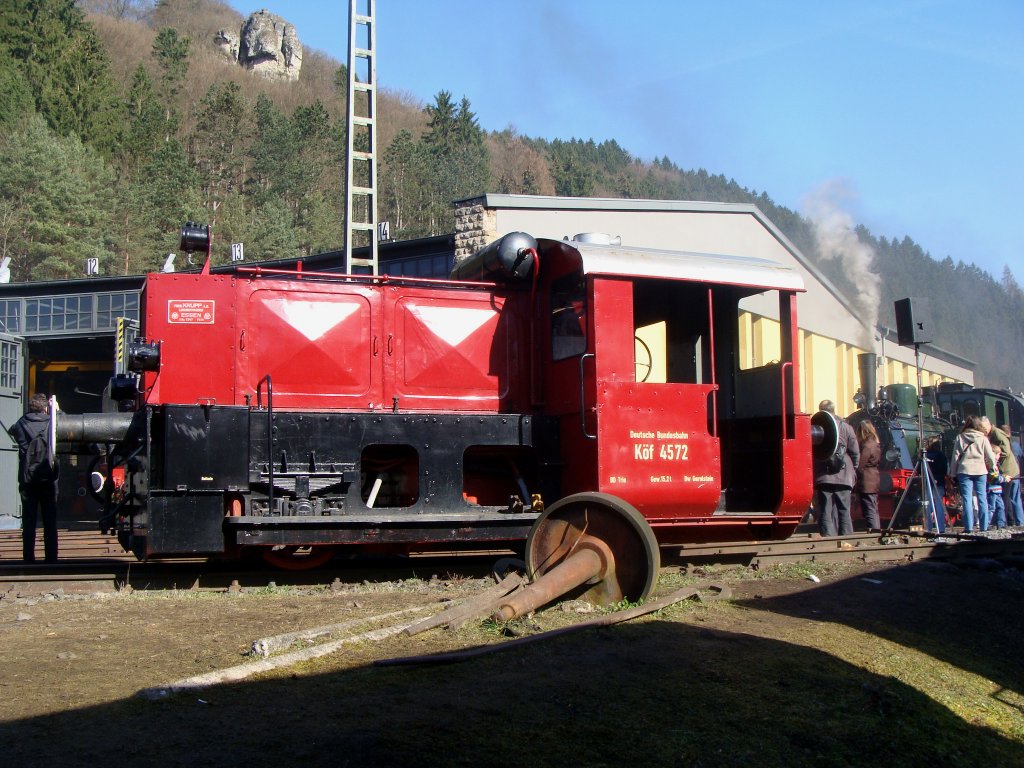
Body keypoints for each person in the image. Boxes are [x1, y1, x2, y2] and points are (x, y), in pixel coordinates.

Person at [7, 393, 59, 563]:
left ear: (30, 407)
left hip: (27, 480)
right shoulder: (53, 423)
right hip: (49, 479)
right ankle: (51, 558)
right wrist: (56, 410)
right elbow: (67, 425)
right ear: (45, 408)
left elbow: (12, 430)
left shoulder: (21, 424)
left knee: (29, 521)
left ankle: (28, 558)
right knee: (50, 521)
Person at [813, 400, 859, 536]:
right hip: (843, 472)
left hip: (823, 474)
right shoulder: (846, 427)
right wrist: (853, 468)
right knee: (844, 509)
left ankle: (828, 538)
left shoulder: (815, 426)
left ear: (821, 410)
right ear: (834, 409)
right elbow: (855, 451)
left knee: (825, 510)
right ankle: (846, 538)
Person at [949, 414, 996, 533]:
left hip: (964, 471)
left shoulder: (960, 437)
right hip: (980, 471)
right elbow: (990, 457)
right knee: (982, 498)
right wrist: (993, 469)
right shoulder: (983, 438)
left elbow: (955, 456)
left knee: (967, 499)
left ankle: (969, 527)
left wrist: (953, 473)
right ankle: (984, 526)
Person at [854, 419, 881, 530]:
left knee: (869, 508)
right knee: (873, 507)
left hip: (866, 481)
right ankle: (876, 529)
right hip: (874, 477)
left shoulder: (867, 445)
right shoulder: (876, 444)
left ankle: (874, 532)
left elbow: (861, 465)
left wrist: (855, 475)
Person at [995, 422, 1023, 527]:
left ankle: (1008, 521)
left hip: (1006, 473)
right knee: (1016, 497)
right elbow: (1021, 456)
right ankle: (1020, 521)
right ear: (1009, 433)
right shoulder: (1015, 444)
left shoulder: (999, 445)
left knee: (1006, 497)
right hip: (1015, 472)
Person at [923, 435, 948, 533]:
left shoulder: (925, 455)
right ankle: (941, 527)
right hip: (939, 481)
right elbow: (944, 470)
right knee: (939, 504)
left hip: (928, 480)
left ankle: (928, 528)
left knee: (928, 505)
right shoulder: (941, 455)